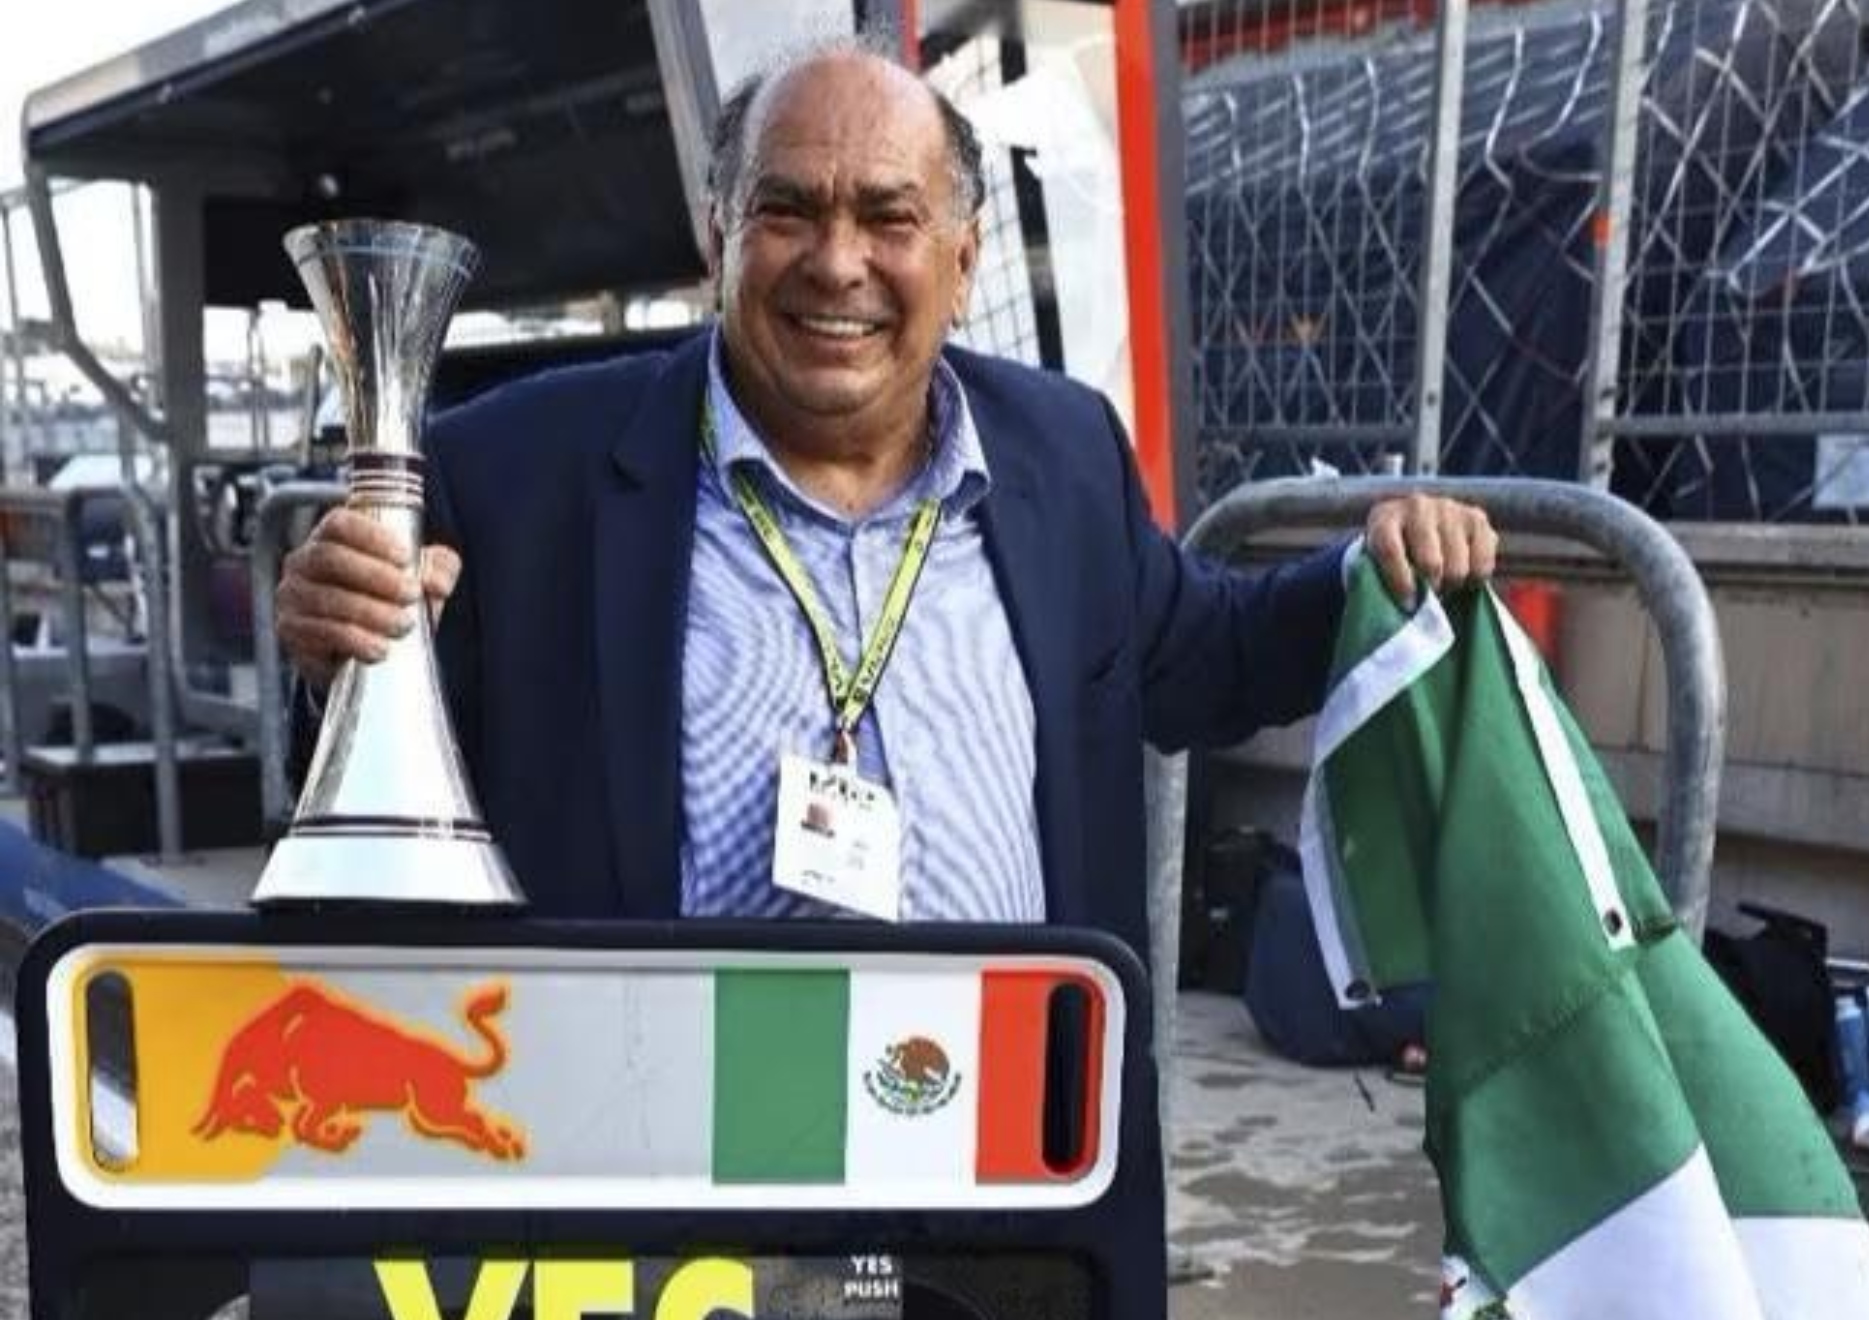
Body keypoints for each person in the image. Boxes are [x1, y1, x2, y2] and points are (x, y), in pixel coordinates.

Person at [275, 42, 1495, 1311]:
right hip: (676, 1196)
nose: (837, 261)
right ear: (718, 238)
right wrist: (340, 650)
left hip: (1010, 1166)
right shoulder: (517, 473)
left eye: (889, 216)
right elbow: (383, 798)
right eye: (787, 208)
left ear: (963, 260)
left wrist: (1371, 574)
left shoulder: (1064, 454)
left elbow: (1202, 659)